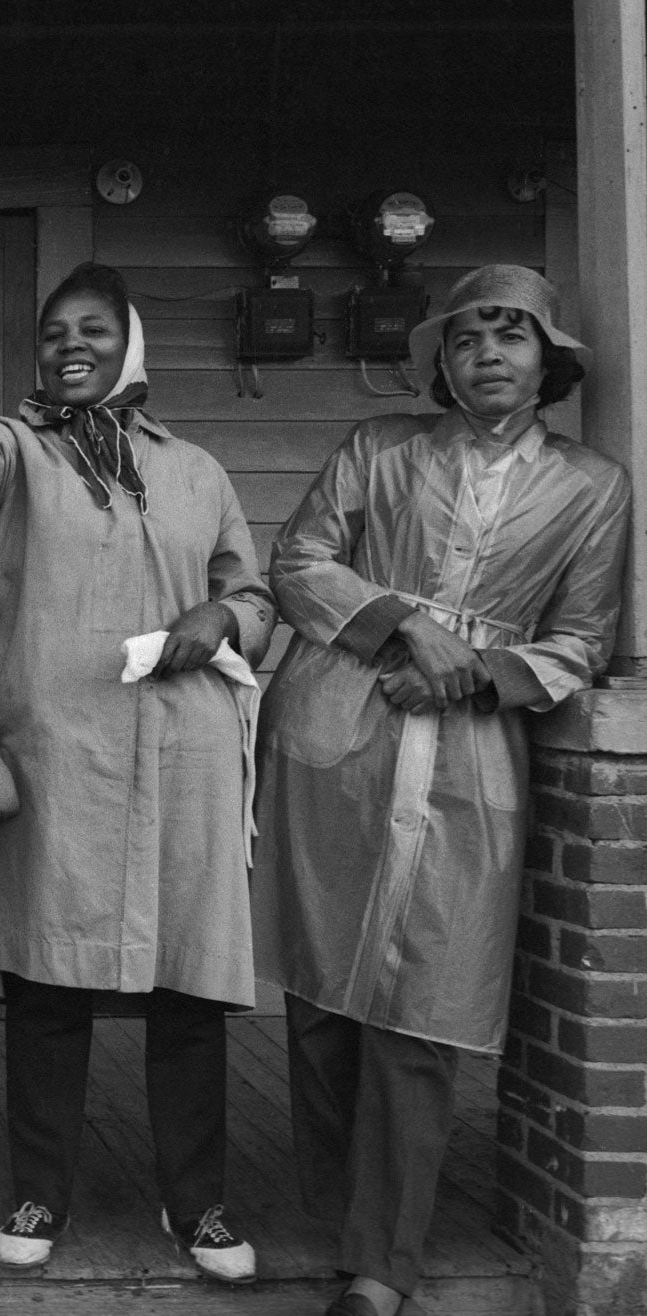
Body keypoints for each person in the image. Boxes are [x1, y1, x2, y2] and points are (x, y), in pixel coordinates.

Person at [0, 181, 270, 1286]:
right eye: (56, 333)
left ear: (129, 346)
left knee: (187, 990)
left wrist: (222, 615)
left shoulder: (194, 469)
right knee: (49, 989)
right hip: (57, 751)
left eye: (91, 333)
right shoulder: (14, 455)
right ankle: (38, 1188)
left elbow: (249, 591)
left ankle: (195, 1202)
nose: (70, 348)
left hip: (182, 753)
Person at [252, 265, 629, 1316]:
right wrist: (401, 623)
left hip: (469, 757)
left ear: (546, 357)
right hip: (338, 733)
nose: (486, 353)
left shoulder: (591, 486)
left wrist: (481, 669)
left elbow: (583, 638)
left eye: (509, 335)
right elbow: (297, 561)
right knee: (323, 997)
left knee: (425, 1009)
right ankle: (338, 1224)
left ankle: (381, 1266)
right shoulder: (379, 451)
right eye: (465, 338)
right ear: (441, 362)